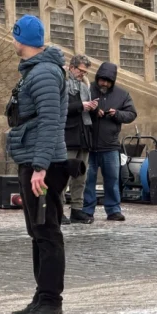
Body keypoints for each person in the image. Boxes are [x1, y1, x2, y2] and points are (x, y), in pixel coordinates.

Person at [6, 14, 69, 314]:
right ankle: (42, 295)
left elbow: (49, 122)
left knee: (47, 232)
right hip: (33, 160)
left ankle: (51, 301)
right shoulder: (35, 70)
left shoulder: (43, 73)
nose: (12, 41)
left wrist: (40, 167)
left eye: (14, 36)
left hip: (43, 164)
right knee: (38, 232)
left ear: (22, 39)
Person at [80, 62, 137, 222]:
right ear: (97, 78)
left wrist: (117, 114)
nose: (104, 83)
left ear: (113, 81)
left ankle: (113, 210)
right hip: (88, 144)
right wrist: (93, 111)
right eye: (102, 80)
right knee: (87, 180)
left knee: (112, 180)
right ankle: (87, 210)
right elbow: (78, 109)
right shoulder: (87, 89)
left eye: (108, 81)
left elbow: (131, 114)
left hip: (110, 146)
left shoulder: (122, 94)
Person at [62, 54, 94, 224]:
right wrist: (81, 105)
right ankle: (58, 210)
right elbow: (60, 108)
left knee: (81, 177)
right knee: (63, 177)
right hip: (67, 136)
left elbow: (84, 111)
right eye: (81, 70)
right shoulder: (62, 83)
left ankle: (77, 209)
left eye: (85, 71)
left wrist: (93, 108)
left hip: (83, 135)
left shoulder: (84, 86)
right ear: (72, 67)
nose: (83, 74)